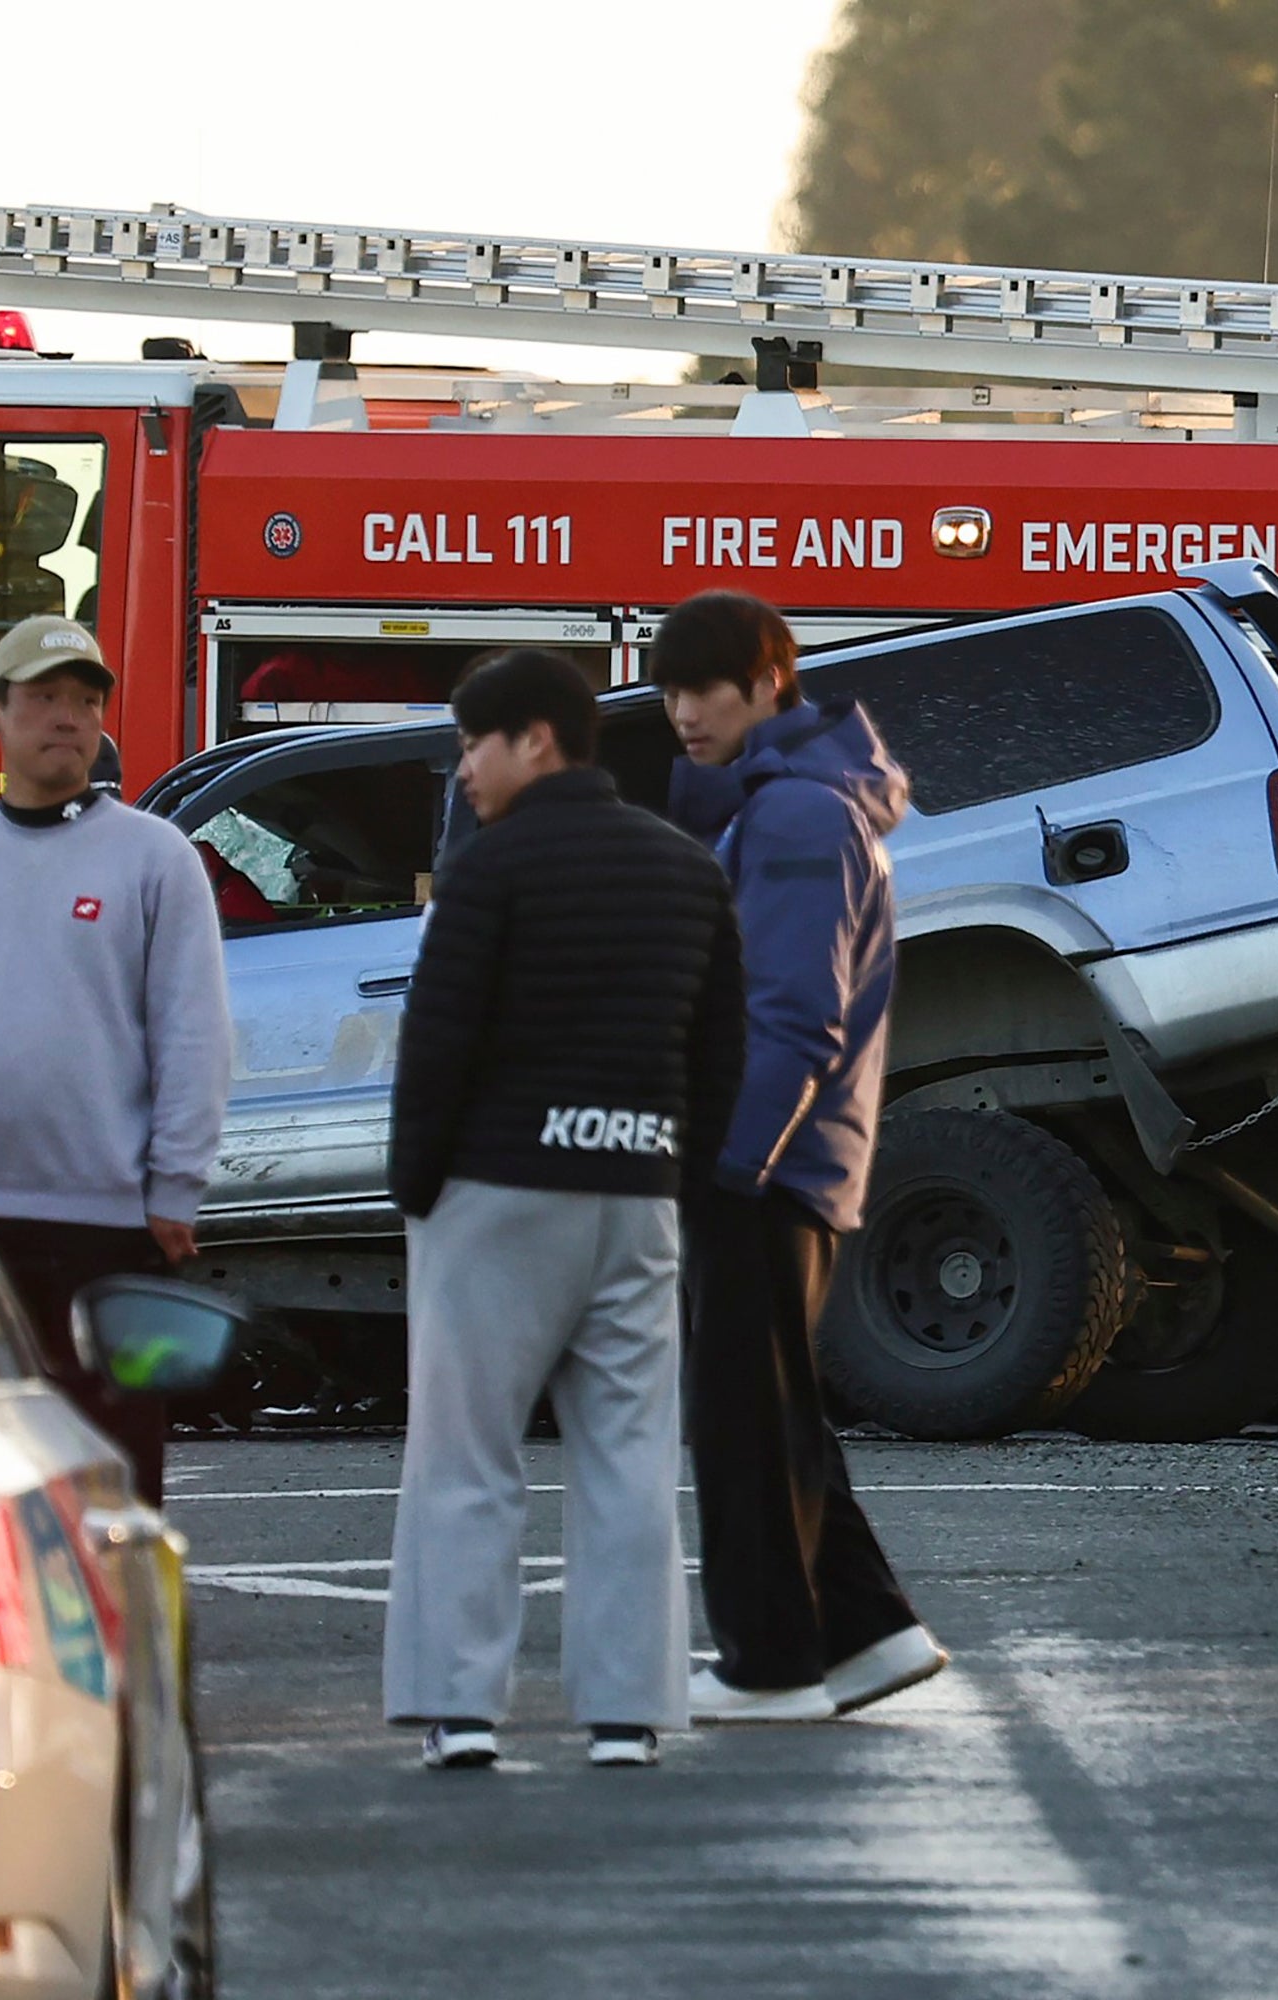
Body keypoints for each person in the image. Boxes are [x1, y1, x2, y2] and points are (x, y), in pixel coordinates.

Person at [380, 650, 744, 1774]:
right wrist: (676, 1174)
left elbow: (437, 1040)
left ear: (534, 739)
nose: (464, 772)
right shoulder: (690, 870)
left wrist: (417, 1183)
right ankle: (629, 1710)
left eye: (470, 746)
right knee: (630, 1454)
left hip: (499, 1191)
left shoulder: (491, 869)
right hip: (637, 1193)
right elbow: (721, 1050)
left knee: (467, 1453)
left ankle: (461, 1705)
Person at [652, 589, 948, 1724]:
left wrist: (730, 1160)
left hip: (765, 1159)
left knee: (739, 1415)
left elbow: (792, 1016)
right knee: (769, 1410)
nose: (682, 711)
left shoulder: (792, 816)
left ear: (770, 681)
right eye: (672, 688)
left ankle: (772, 1661)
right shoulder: (795, 806)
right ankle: (870, 1631)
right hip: (788, 1158)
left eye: (705, 688)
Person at [0, 614, 230, 1504]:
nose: (67, 716)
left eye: (85, 699)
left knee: (119, 1480)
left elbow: (193, 1033)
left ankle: (122, 1639)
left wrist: (175, 1186)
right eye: (44, 697)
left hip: (119, 1227)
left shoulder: (157, 860)